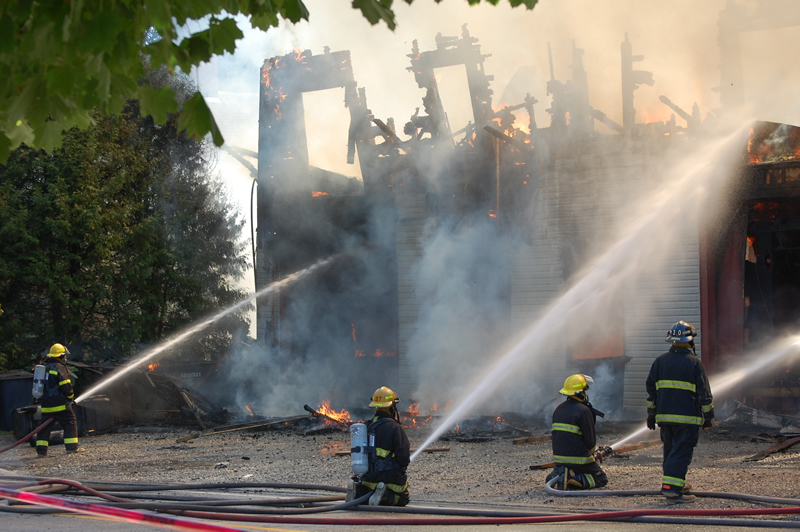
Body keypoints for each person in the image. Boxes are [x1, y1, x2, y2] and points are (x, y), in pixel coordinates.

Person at [646, 320, 714, 504]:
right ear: (690, 341)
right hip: (687, 419)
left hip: (665, 418)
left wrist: (651, 415)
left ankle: (674, 483)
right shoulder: (694, 363)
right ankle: (672, 490)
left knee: (670, 451)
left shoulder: (660, 361)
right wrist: (709, 418)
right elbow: (704, 394)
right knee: (681, 452)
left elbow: (651, 392)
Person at [547, 374, 608, 490]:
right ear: (581, 393)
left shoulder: (558, 409)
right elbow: (590, 442)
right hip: (579, 460)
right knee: (601, 479)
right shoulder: (584, 411)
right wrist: (591, 455)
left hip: (559, 460)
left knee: (569, 470)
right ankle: (572, 479)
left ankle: (560, 474)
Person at [353, 386, 410, 506]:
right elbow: (404, 459)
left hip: (368, 479)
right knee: (403, 499)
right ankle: (384, 496)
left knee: (366, 490)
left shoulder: (366, 426)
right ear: (392, 406)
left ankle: (360, 493)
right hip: (389, 478)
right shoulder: (395, 428)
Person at [36, 343, 83, 456]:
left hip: (46, 405)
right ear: (61, 356)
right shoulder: (59, 367)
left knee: (44, 427)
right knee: (70, 421)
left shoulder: (44, 368)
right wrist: (70, 397)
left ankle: (41, 451)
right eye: (64, 356)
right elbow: (65, 385)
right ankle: (72, 448)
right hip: (60, 404)